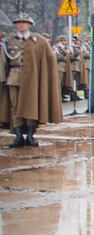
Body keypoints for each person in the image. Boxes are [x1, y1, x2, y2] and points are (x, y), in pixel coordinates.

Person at [0, 14, 62, 147]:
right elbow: (3, 61)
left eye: (24, 22)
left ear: (30, 25)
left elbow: (49, 59)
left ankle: (30, 135)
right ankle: (18, 136)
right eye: (18, 22)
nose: (21, 25)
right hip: (14, 77)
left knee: (31, 106)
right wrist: (3, 78)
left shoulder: (38, 41)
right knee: (15, 107)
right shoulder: (9, 41)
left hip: (33, 79)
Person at [54, 35, 75, 102]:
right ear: (60, 41)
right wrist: (65, 56)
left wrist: (67, 55)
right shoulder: (56, 48)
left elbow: (72, 56)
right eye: (64, 41)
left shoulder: (66, 48)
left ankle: (62, 94)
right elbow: (57, 57)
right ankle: (58, 95)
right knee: (59, 82)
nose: (65, 42)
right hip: (60, 67)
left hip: (66, 67)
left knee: (64, 83)